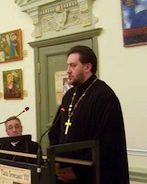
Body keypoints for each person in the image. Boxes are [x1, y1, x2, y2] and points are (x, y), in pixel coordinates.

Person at [48, 45, 129, 184]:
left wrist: (78, 170)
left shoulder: (104, 95)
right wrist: (57, 162)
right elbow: (56, 131)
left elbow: (107, 141)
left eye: (73, 65)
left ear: (87, 67)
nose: (68, 70)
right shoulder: (69, 95)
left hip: (92, 174)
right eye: (68, 66)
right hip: (64, 172)